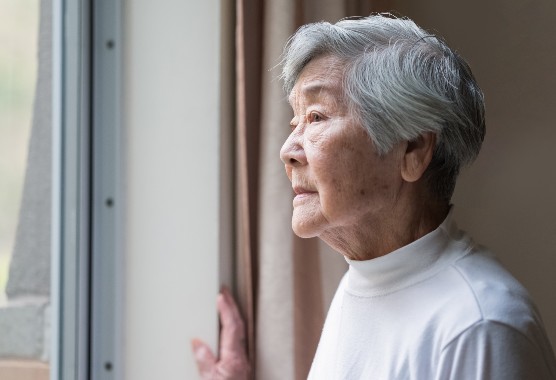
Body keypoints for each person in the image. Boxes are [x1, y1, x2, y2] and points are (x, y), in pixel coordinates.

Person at [192, 14, 556, 379]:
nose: (288, 150)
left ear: (413, 149)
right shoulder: (366, 279)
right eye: (295, 122)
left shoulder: (480, 327)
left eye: (316, 117)